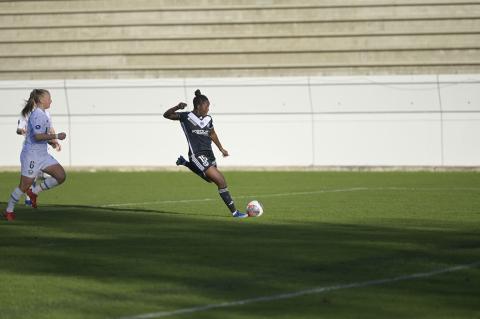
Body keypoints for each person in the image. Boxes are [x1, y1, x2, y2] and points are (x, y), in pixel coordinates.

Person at [163, 89, 248, 218]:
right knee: (221, 181)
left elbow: (212, 133)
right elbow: (166, 115)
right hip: (197, 154)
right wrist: (177, 107)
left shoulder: (208, 119)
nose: (208, 109)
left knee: (209, 179)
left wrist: (221, 148)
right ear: (199, 106)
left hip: (209, 154)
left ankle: (185, 162)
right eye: (207, 106)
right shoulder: (186, 117)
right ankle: (235, 213)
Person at [3, 89, 67, 221]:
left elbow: (41, 136)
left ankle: (34, 192)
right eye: (49, 98)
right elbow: (37, 136)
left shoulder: (44, 114)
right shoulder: (37, 115)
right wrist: (56, 136)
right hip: (31, 156)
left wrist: (52, 142)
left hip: (42, 154)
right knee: (24, 186)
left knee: (61, 176)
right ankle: (9, 210)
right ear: (42, 100)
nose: (51, 100)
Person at [16, 108, 61, 206]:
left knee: (53, 176)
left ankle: (33, 192)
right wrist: (24, 131)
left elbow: (50, 128)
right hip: (31, 150)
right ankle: (28, 200)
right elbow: (19, 129)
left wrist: (54, 141)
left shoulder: (47, 114)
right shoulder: (26, 113)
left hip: (44, 149)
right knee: (32, 175)